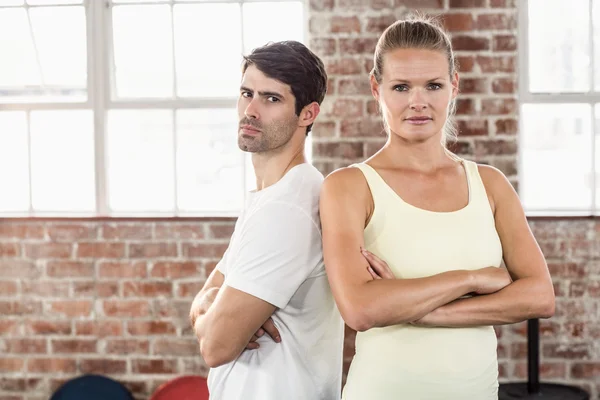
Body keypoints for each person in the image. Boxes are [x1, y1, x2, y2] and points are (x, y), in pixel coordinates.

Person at [319, 16, 555, 399]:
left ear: (454, 86)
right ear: (376, 89)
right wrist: (472, 279)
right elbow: (360, 309)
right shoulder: (348, 186)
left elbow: (540, 296)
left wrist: (419, 310)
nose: (418, 102)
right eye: (401, 87)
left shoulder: (490, 184)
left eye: (433, 85)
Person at [189, 40, 344, 400]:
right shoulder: (272, 196)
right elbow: (203, 298)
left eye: (271, 99)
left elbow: (215, 346)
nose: (251, 110)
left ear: (308, 114)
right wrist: (209, 303)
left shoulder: (289, 207)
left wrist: (214, 311)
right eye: (247, 93)